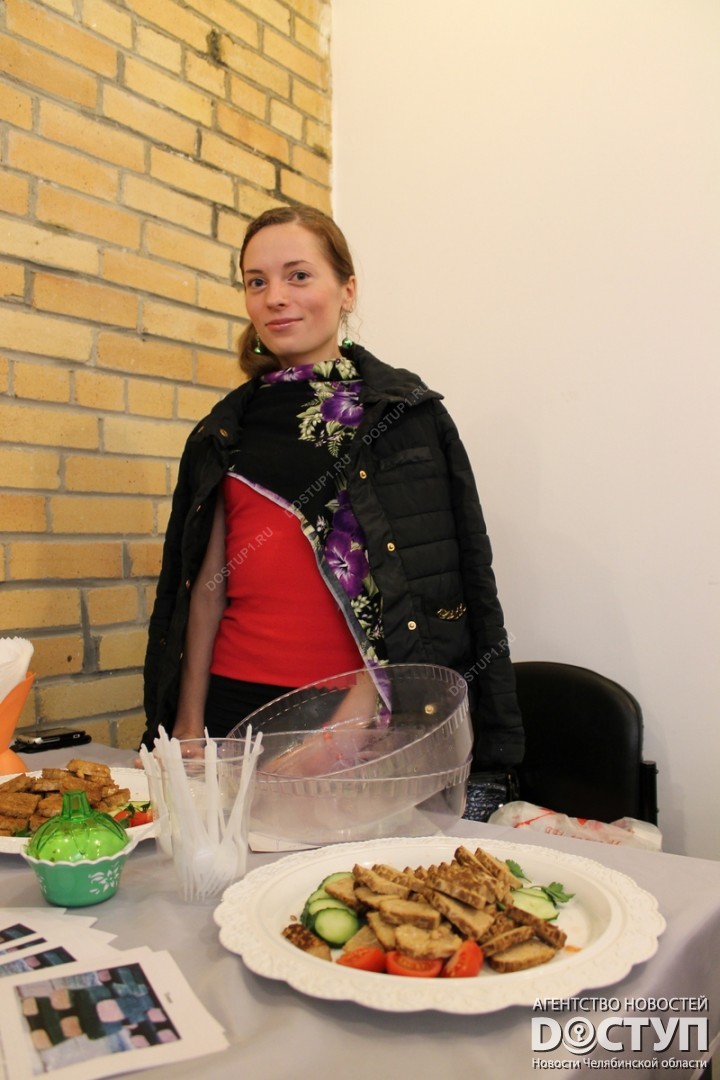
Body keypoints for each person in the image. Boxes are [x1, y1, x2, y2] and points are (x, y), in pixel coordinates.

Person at [141, 205, 523, 815]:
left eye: (298, 275)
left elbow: (434, 589)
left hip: (362, 718)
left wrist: (351, 721)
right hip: (234, 710)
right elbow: (203, 591)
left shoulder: (406, 418)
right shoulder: (224, 431)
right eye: (256, 281)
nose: (275, 297)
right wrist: (188, 726)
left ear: (347, 290)